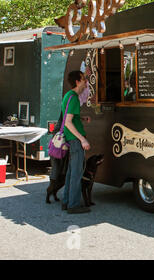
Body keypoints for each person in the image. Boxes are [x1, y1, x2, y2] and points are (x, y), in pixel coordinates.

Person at [61, 71, 91, 214]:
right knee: (76, 173)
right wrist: (82, 139)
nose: (86, 82)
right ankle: (74, 205)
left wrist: (82, 118)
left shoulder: (69, 96)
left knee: (71, 172)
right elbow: (68, 122)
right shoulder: (73, 98)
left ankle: (66, 201)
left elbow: (70, 117)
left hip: (70, 139)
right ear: (78, 81)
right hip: (75, 140)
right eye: (84, 79)